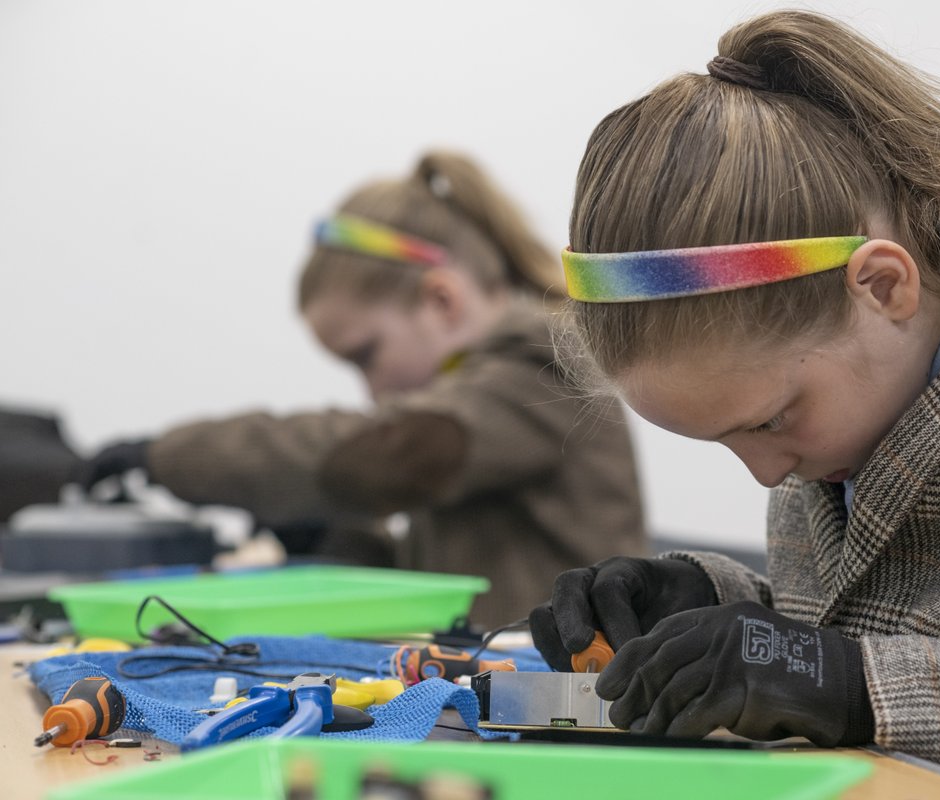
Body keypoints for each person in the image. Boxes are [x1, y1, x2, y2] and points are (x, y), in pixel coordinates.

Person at [528, 11, 940, 798]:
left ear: (883, 286)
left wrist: (852, 686)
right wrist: (714, 602)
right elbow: (889, 625)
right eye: (722, 443)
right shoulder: (838, 400)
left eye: (769, 420)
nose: (766, 476)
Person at [80, 150, 646, 629]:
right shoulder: (481, 399)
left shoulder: (544, 371)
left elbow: (388, 450)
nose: (371, 390)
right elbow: (453, 575)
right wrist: (335, 541)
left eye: (366, 355)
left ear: (441, 301)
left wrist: (168, 457)